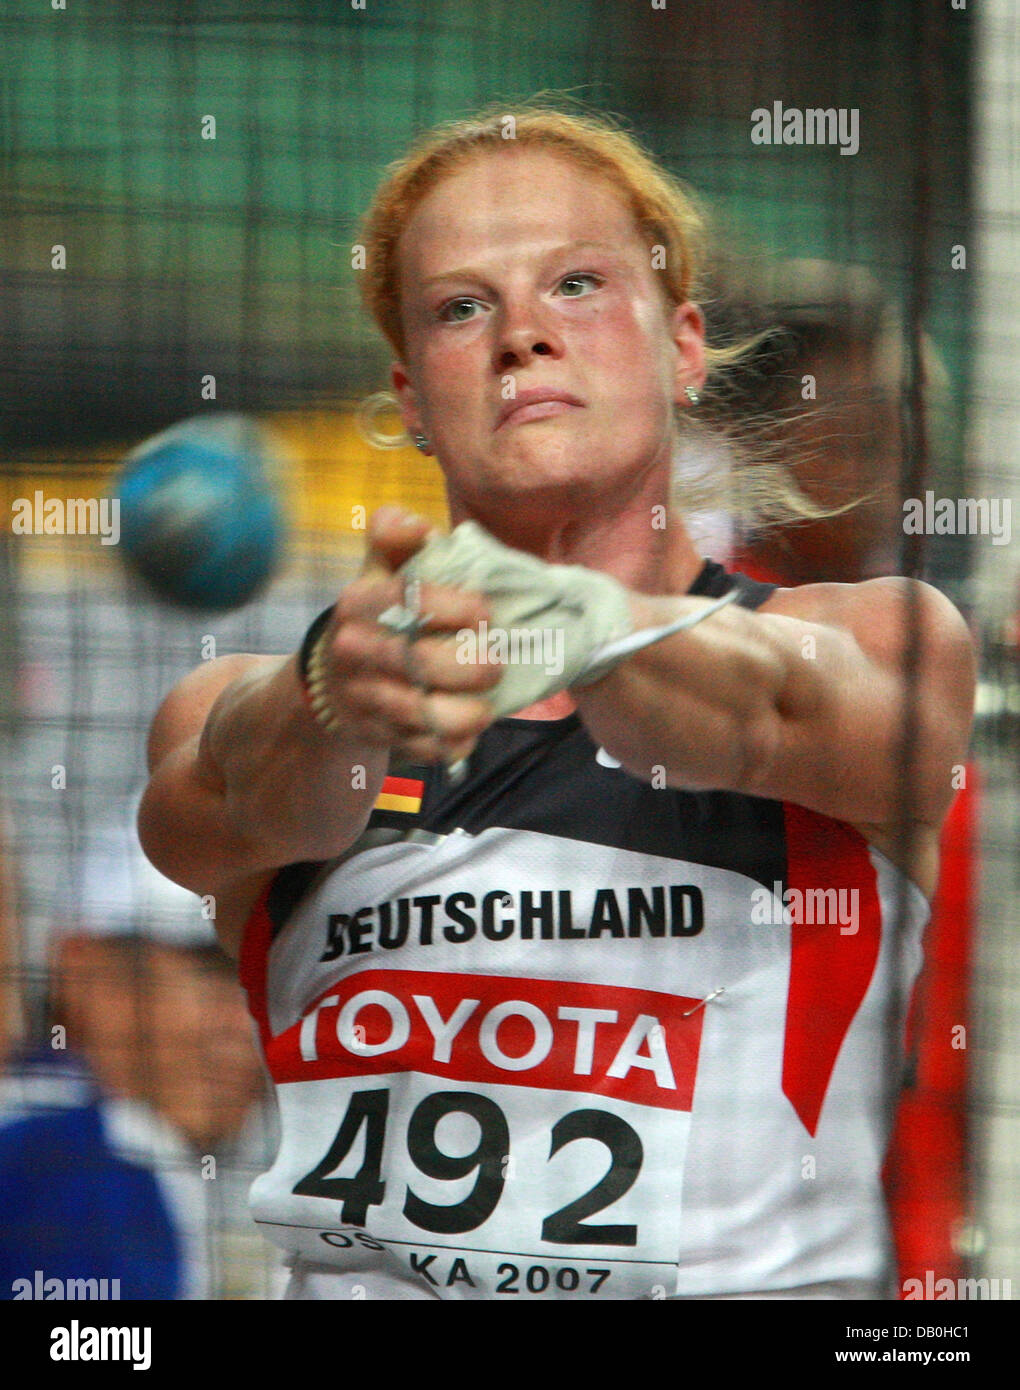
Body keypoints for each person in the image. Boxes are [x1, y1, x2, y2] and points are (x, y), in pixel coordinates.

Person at [139, 104, 975, 1300]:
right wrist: (339, 694)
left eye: (578, 284)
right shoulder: (261, 708)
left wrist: (567, 623)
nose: (523, 334)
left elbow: (762, 709)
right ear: (413, 397)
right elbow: (227, 794)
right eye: (461, 307)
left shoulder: (877, 638)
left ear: (686, 346)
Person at [0, 821, 272, 1300]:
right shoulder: (49, 1158)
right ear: (83, 969)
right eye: (212, 972)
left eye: (267, 980)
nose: (243, 1023)